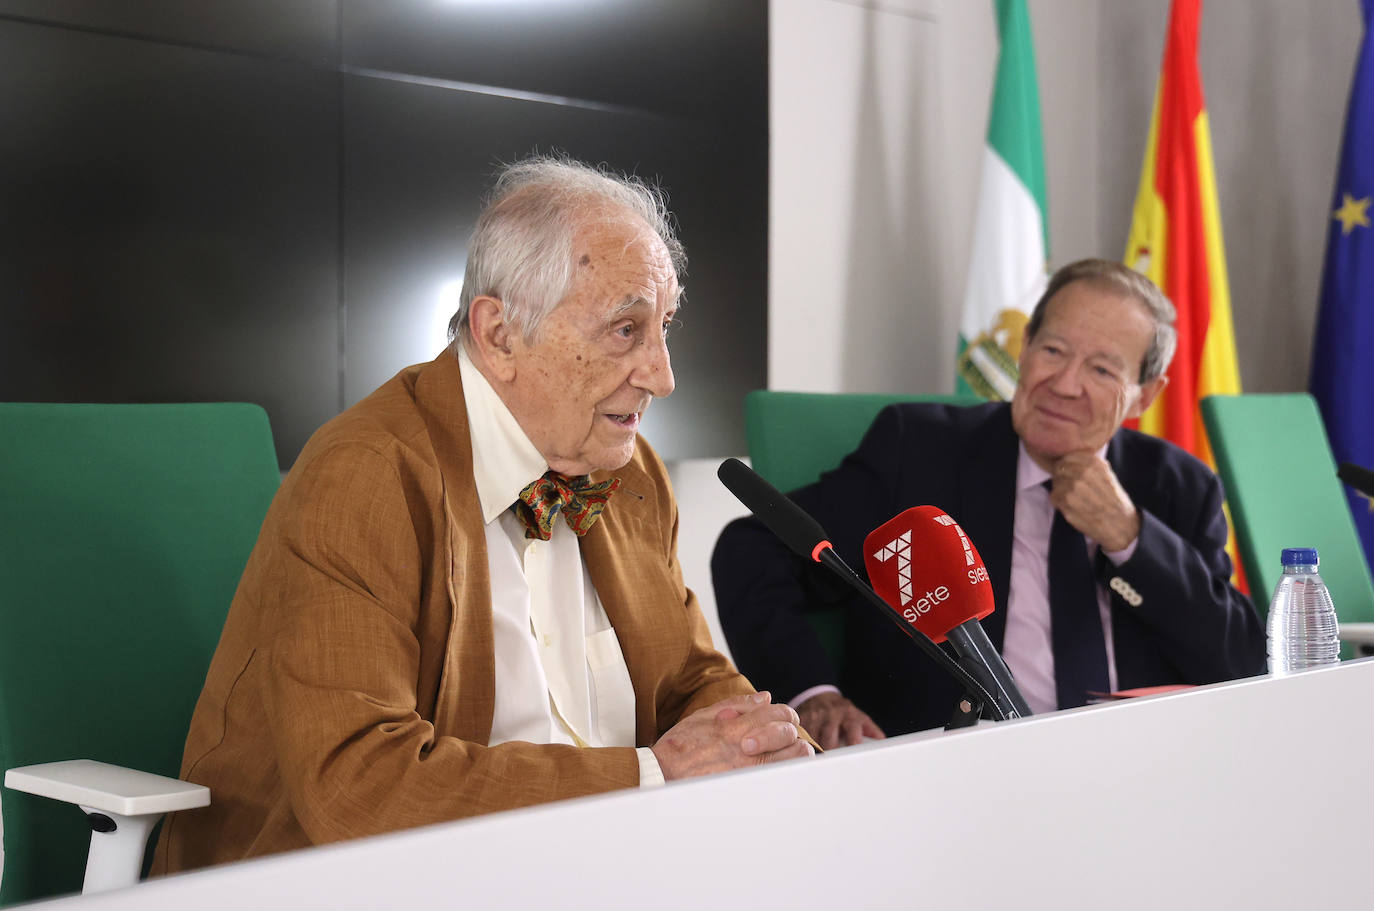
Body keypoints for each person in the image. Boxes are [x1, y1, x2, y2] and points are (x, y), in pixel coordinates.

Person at [154, 157, 811, 873]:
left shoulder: (629, 472)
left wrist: (760, 741)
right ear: (499, 334)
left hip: (607, 871)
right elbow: (359, 783)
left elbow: (690, 681)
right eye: (626, 329)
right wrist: (649, 776)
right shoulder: (364, 475)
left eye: (664, 326)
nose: (662, 373)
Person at [712, 259, 1266, 749]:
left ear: (1145, 395)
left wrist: (1131, 539)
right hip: (955, 769)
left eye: (1101, 369)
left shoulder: (1178, 487)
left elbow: (1240, 663)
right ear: (1022, 350)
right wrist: (814, 694)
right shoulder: (919, 451)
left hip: (1137, 762)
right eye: (1053, 351)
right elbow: (752, 548)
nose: (1064, 384)